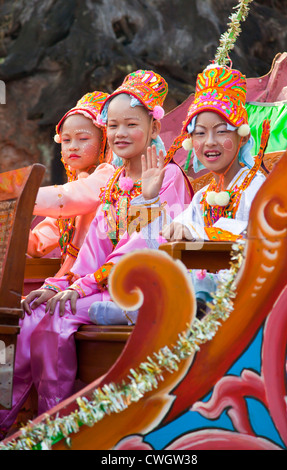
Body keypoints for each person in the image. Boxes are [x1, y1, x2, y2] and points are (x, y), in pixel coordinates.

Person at [0, 70, 191, 437]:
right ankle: (12, 424)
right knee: (34, 310)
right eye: (114, 125)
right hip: (105, 286)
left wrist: (80, 288)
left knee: (59, 316)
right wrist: (58, 284)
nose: (120, 133)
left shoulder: (166, 177)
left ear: (154, 127)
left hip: (145, 290)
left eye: (131, 124)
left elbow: (140, 249)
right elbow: (94, 250)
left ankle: (55, 427)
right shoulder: (117, 183)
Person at [160, 64, 268, 314]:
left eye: (221, 132)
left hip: (248, 296)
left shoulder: (256, 186)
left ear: (242, 137)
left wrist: (195, 231)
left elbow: (253, 239)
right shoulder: (202, 196)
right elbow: (174, 231)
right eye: (200, 133)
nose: (209, 142)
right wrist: (151, 199)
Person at [27, 91, 115, 277]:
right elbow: (37, 244)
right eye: (66, 140)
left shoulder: (108, 176)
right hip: (68, 280)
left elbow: (71, 197)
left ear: (104, 142)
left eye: (83, 139)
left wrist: (20, 196)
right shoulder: (71, 191)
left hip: (96, 278)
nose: (73, 146)